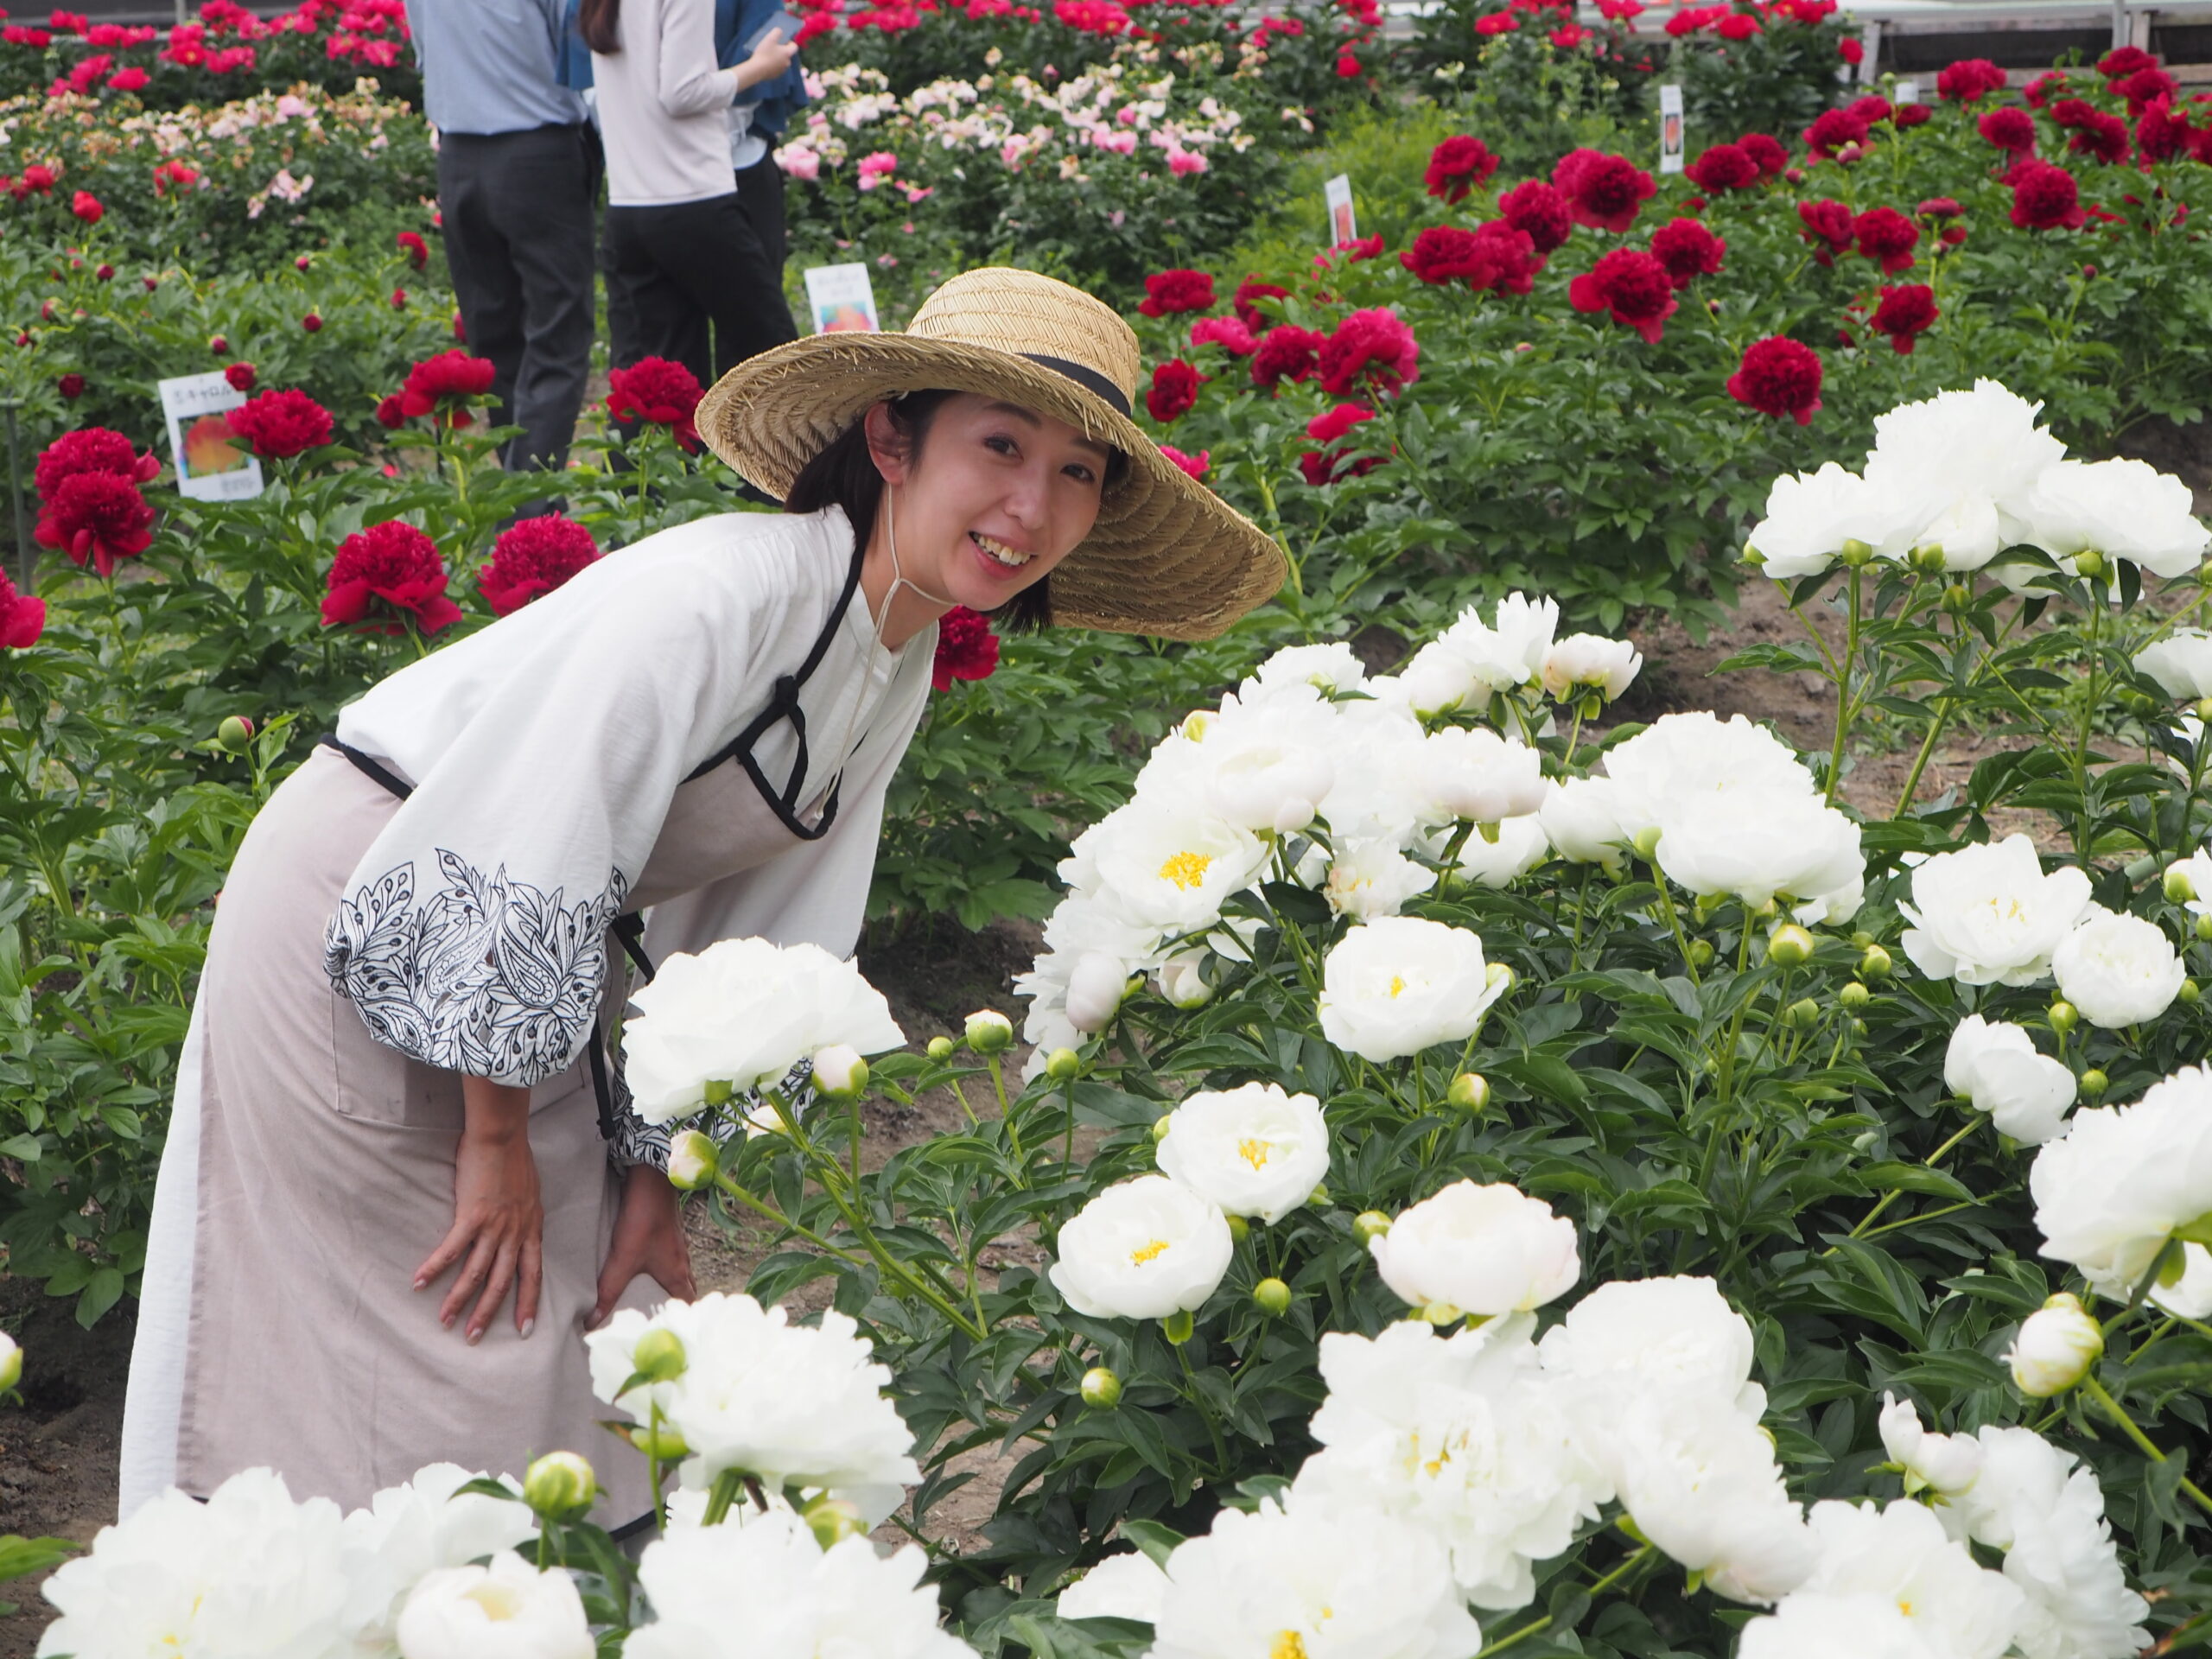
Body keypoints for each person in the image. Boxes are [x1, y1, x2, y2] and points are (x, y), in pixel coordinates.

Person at [116, 268, 1286, 1527]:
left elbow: (770, 941)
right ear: (892, 437)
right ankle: (310, 1588)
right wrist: (498, 1142)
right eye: (999, 446)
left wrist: (665, 1169)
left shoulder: (890, 649)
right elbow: (520, 838)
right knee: (447, 1319)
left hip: (527, 955)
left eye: (1076, 475)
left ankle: (533, 1590)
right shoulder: (721, 594)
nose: (1029, 505)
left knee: (581, 1294)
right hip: (375, 907)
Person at [404, 0, 598, 480]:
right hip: (539, 152)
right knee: (557, 337)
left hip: (460, 159)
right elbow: (583, 58)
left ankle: (523, 499)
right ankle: (528, 502)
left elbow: (426, 52)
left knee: (494, 332)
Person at [583, 0, 802, 391]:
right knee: (774, 367)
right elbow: (682, 92)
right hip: (695, 202)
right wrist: (760, 68)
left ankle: (641, 456)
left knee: (658, 387)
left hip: (630, 206)